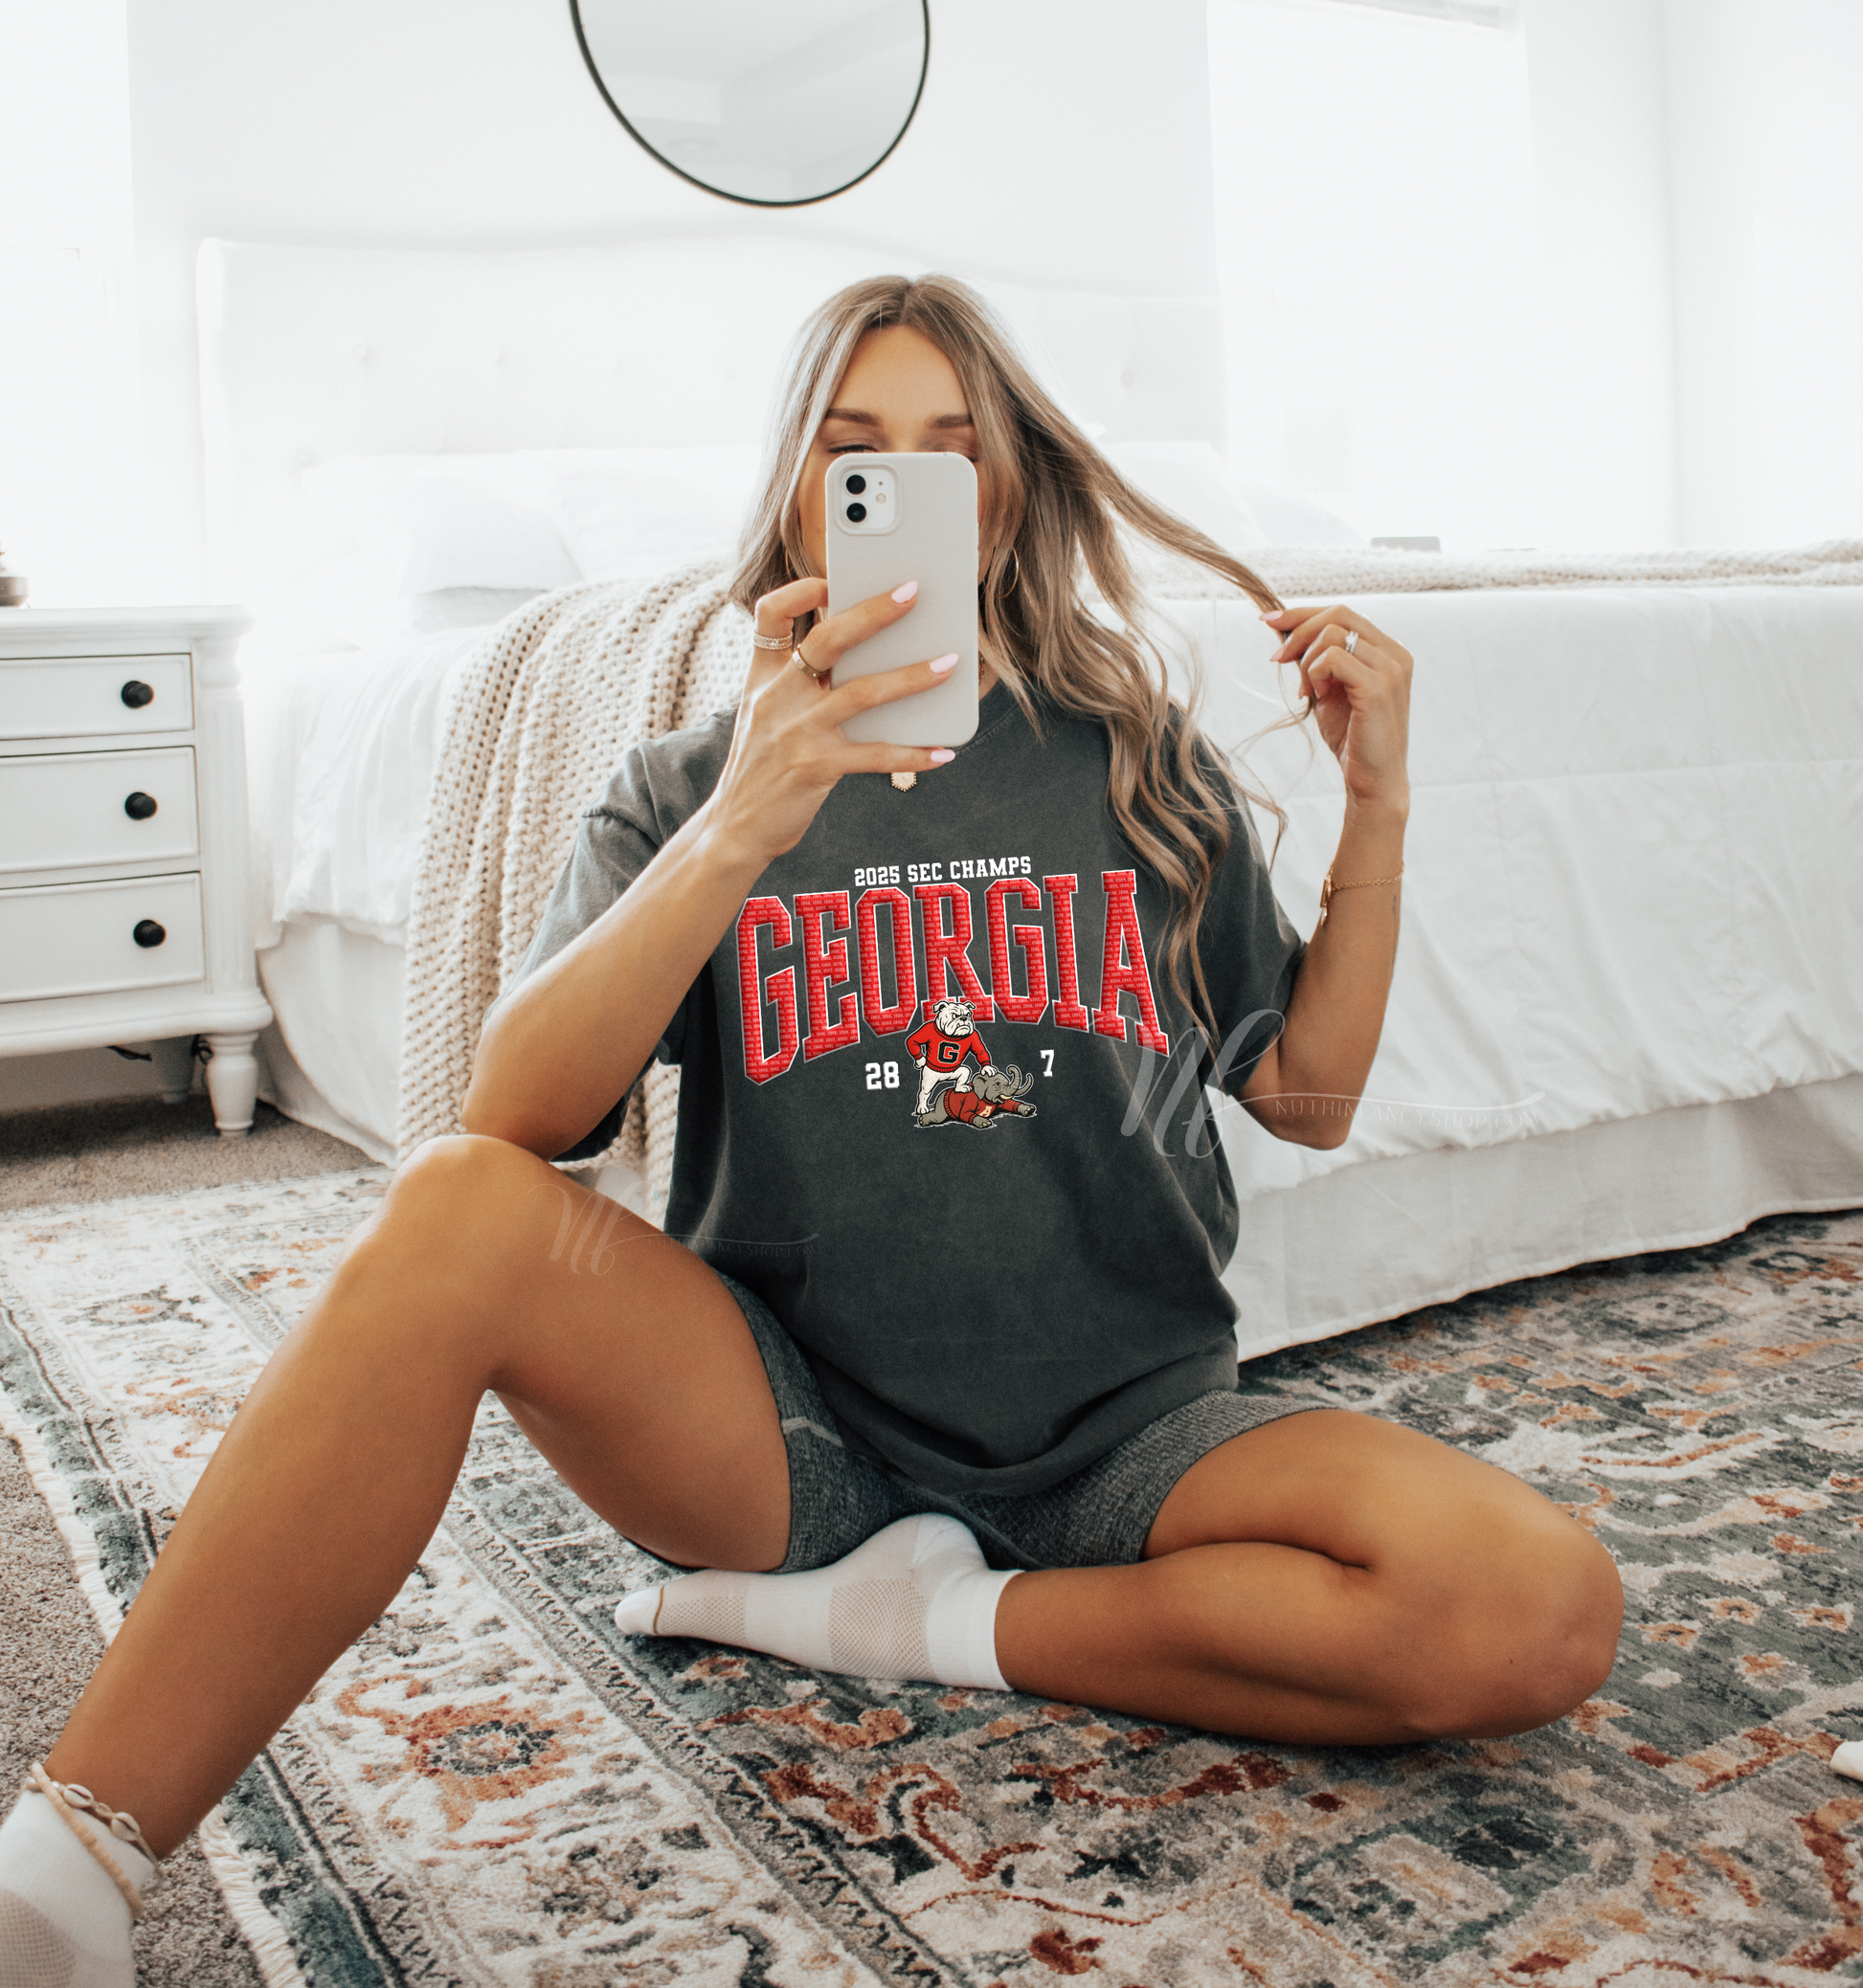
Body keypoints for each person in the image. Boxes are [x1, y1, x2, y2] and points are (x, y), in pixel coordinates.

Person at [0, 277, 1622, 1985]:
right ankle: (66, 1870)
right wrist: (744, 818)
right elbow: (516, 1125)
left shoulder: (1138, 763)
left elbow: (1304, 1096)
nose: (908, 489)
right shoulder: (686, 784)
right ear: (799, 495)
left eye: (951, 450)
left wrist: (1379, 801)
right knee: (454, 1204)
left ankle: (922, 1622)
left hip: (1128, 1428)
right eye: (859, 457)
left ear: (1007, 490)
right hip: (783, 1437)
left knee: (1529, 1609)